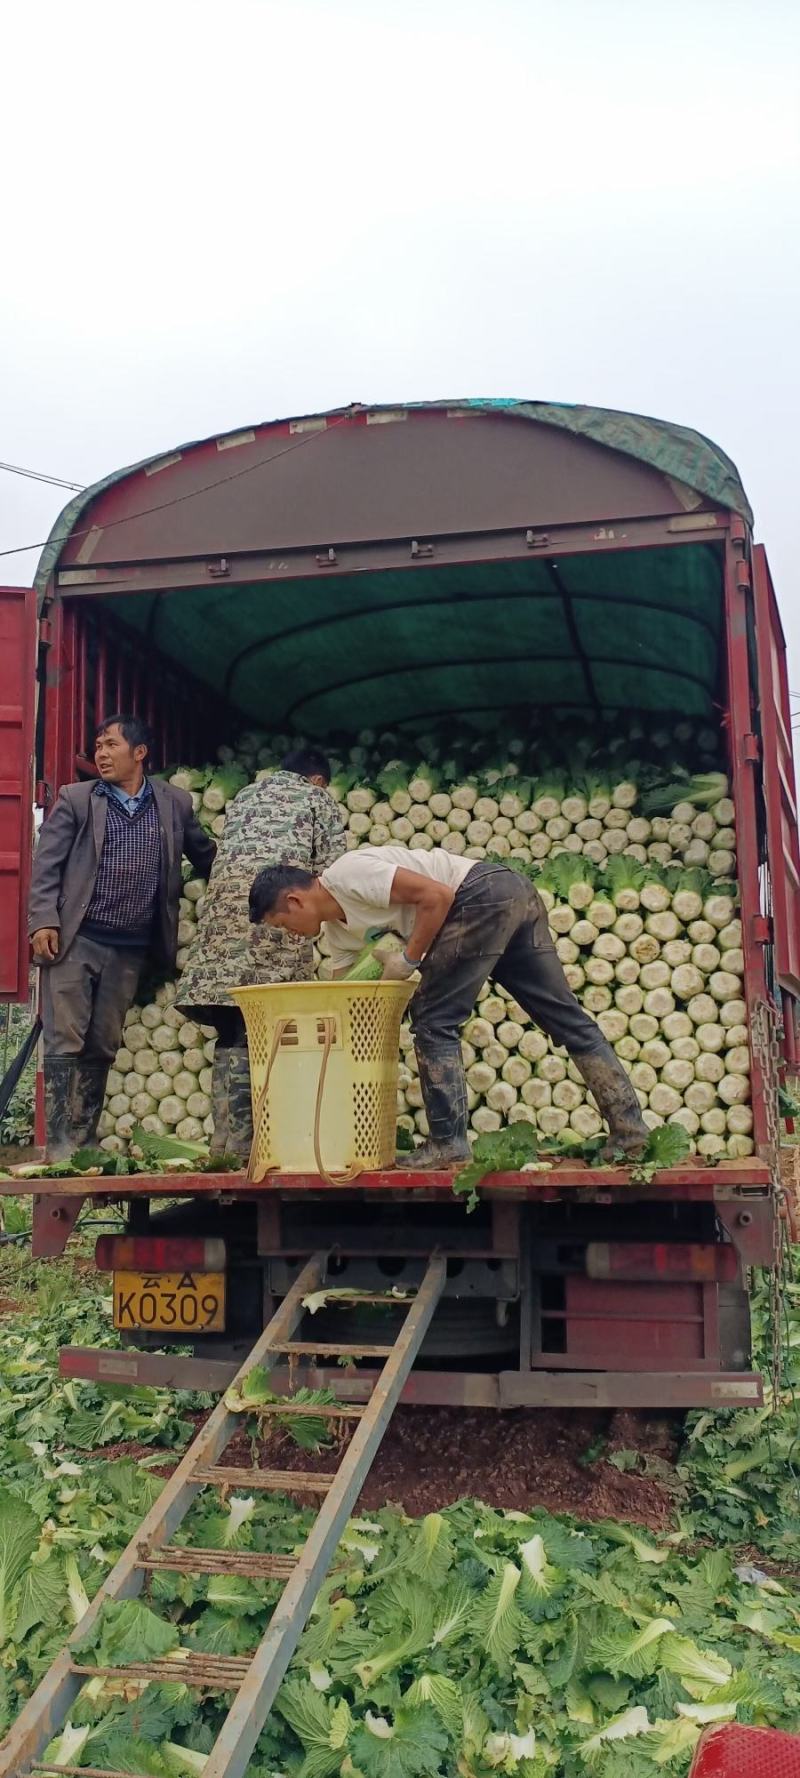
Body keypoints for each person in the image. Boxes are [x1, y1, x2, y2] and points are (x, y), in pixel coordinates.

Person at [248, 848, 649, 1168]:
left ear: (294, 900)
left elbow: (437, 896)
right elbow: (341, 995)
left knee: (434, 1020)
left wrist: (407, 960)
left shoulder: (348, 874)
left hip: (482, 892)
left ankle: (447, 1144)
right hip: (510, 895)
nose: (290, 935)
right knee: (566, 1018)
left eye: (282, 925)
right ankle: (630, 1134)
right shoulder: (340, 934)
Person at [28, 714, 216, 1159]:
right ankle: (58, 1143)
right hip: (77, 940)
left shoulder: (174, 803)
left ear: (139, 753)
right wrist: (42, 921)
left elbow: (205, 855)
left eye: (111, 744)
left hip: (130, 947)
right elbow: (46, 865)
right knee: (65, 1038)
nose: (101, 753)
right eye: (97, 746)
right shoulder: (77, 799)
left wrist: (248, 888)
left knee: (102, 1042)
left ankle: (85, 1136)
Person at [177, 747, 345, 1160]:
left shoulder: (245, 797)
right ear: (318, 779)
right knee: (267, 1036)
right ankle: (260, 1143)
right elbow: (332, 871)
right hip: (273, 921)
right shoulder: (316, 798)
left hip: (219, 933)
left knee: (231, 1034)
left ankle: (226, 1144)